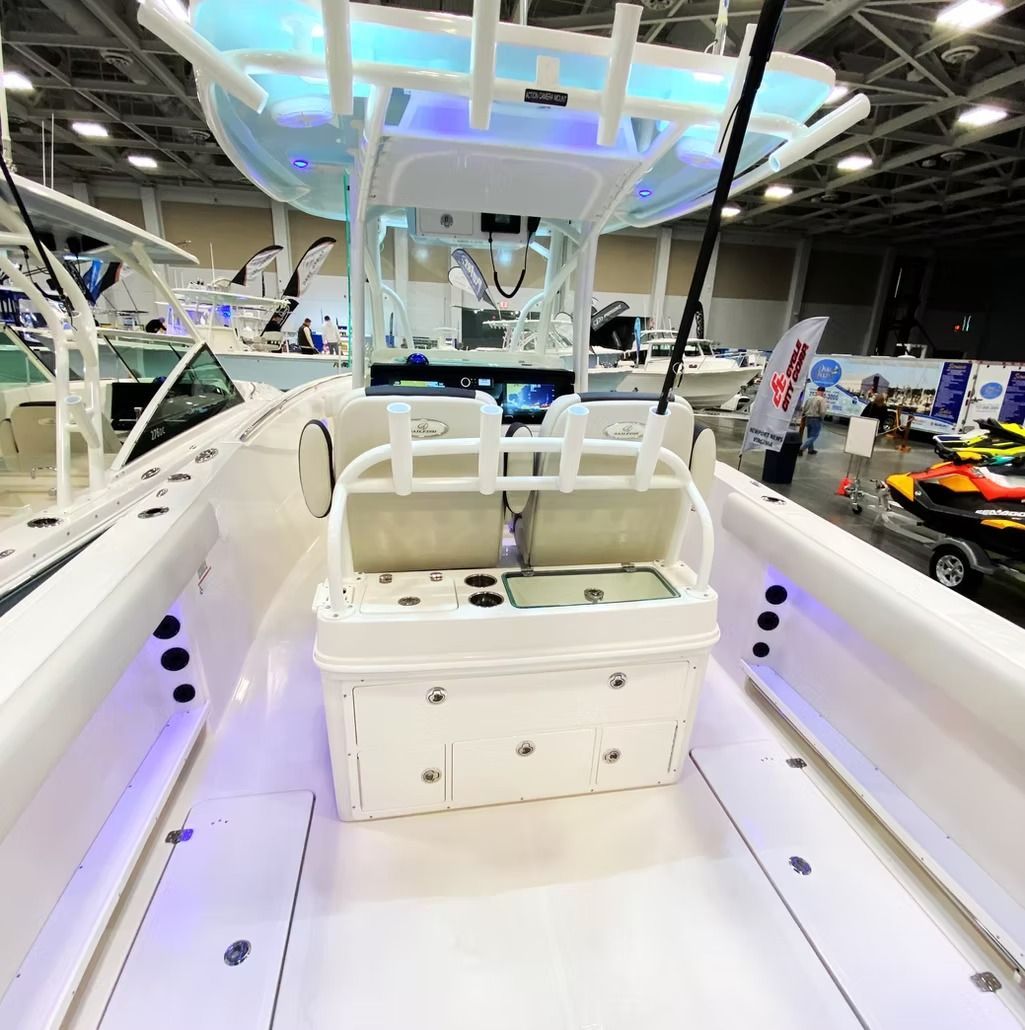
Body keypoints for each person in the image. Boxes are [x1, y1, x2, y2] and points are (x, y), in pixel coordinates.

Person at [799, 386, 828, 456]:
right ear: (823, 392)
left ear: (817, 391)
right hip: (816, 419)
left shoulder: (810, 398)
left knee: (810, 435)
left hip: (808, 418)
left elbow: (804, 409)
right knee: (814, 436)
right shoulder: (822, 400)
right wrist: (822, 418)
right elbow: (822, 411)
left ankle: (810, 450)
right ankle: (801, 449)